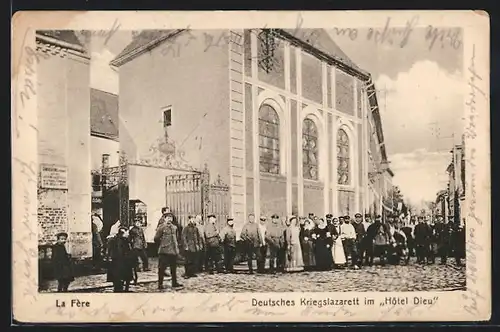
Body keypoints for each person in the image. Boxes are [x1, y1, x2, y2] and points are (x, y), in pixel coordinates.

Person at [154, 213, 183, 290]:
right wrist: (162, 245)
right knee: (162, 269)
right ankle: (160, 284)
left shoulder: (174, 227)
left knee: (173, 268)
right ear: (164, 218)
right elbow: (156, 238)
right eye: (168, 218)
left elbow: (176, 238)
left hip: (173, 251)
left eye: (171, 218)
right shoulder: (161, 227)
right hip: (164, 251)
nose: (169, 219)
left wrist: (176, 248)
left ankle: (174, 282)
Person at [107, 227, 135, 292]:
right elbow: (120, 252)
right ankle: (119, 288)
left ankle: (121, 288)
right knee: (120, 276)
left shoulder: (124, 240)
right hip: (121, 261)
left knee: (120, 276)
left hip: (121, 261)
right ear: (123, 232)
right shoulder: (119, 241)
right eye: (126, 232)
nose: (128, 234)